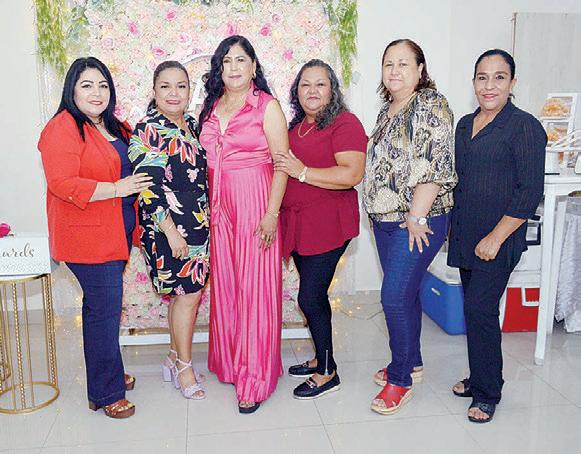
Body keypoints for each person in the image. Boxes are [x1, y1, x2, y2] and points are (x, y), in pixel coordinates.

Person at [38, 57, 152, 418]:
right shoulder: (63, 127)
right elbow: (63, 183)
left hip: (115, 233)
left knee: (102, 309)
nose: (96, 92)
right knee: (104, 311)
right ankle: (106, 393)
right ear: (72, 90)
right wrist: (117, 188)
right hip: (87, 240)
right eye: (86, 85)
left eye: (103, 85)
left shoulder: (115, 127)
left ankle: (108, 374)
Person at [448, 49, 546, 423]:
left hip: (499, 238)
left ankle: (488, 393)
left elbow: (529, 191)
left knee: (480, 308)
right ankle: (480, 377)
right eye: (482, 77)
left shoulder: (524, 127)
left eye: (499, 77)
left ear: (512, 83)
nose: (489, 85)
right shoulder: (464, 125)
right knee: (474, 310)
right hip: (466, 235)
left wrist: (496, 237)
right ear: (473, 82)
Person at [362, 39, 457, 415]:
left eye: (404, 63)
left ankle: (400, 380)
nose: (395, 70)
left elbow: (434, 164)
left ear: (420, 69)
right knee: (406, 293)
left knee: (393, 298)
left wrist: (417, 217)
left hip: (416, 220)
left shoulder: (430, 104)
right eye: (389, 63)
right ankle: (411, 362)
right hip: (385, 221)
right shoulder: (387, 110)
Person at [198, 35, 289, 413]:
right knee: (227, 288)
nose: (233, 67)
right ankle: (232, 362)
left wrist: (271, 214)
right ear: (219, 69)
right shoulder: (211, 107)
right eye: (226, 61)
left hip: (256, 203)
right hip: (219, 209)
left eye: (241, 60)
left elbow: (282, 163)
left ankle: (255, 376)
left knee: (255, 290)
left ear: (254, 67)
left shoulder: (267, 106)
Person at [274, 60, 367, 399]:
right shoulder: (298, 126)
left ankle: (328, 373)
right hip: (299, 225)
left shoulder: (345, 123)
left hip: (328, 225)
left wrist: (302, 171)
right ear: (296, 91)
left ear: (332, 90)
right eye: (305, 84)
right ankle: (320, 358)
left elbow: (351, 174)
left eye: (320, 84)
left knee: (310, 297)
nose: (312, 91)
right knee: (314, 297)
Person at [129, 61, 210, 400]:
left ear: (190, 91)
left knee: (184, 295)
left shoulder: (191, 125)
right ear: (154, 91)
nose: (174, 93)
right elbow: (148, 187)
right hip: (167, 227)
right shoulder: (148, 128)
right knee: (187, 296)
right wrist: (171, 232)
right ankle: (185, 367)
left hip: (198, 224)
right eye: (165, 86)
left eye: (181, 86)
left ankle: (174, 357)